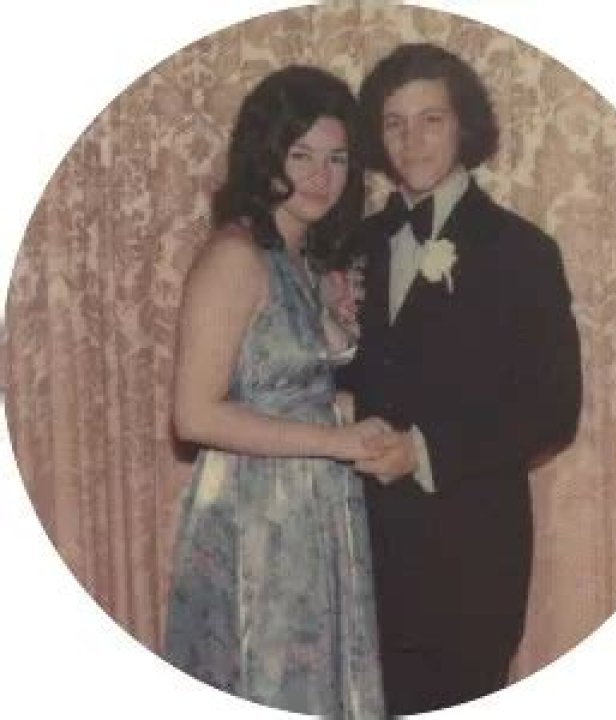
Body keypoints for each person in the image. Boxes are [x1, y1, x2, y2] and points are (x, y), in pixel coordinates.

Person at [338, 43, 582, 715]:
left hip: (471, 558)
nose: (411, 140)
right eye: (394, 123)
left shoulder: (522, 250)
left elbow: (554, 408)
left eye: (431, 120)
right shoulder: (354, 244)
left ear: (464, 125)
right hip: (360, 551)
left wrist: (422, 451)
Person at [163, 65, 388, 719]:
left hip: (315, 503)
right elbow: (194, 415)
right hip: (257, 512)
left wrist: (348, 409)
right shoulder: (234, 256)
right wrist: (334, 440)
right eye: (301, 155)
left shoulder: (301, 258)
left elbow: (284, 384)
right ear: (266, 156)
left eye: (337, 159)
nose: (322, 176)